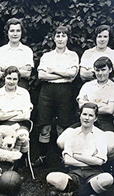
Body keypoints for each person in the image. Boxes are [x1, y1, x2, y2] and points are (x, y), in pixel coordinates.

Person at [32, 25, 79, 167]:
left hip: (65, 91)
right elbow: (41, 75)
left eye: (63, 35)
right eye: (57, 35)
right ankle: (42, 156)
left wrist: (52, 71)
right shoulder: (47, 56)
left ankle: (63, 158)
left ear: (67, 38)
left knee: (62, 126)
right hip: (47, 91)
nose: (60, 39)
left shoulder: (73, 56)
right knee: (44, 125)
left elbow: (72, 76)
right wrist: (62, 72)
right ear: (54, 38)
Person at [46, 103, 114, 196]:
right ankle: (89, 194)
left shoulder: (100, 135)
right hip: (74, 173)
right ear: (80, 115)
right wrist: (90, 160)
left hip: (94, 174)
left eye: (90, 115)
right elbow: (67, 160)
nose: (86, 118)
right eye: (84, 114)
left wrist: (76, 156)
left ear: (95, 118)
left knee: (108, 179)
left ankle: (75, 194)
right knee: (51, 177)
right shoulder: (72, 133)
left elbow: (99, 161)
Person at [77, 56, 114, 160]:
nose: (100, 73)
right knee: (61, 141)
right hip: (86, 120)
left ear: (110, 70)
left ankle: (108, 168)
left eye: (103, 70)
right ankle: (80, 166)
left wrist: (89, 104)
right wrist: (102, 106)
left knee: (110, 146)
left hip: (105, 121)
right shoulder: (87, 86)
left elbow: (110, 110)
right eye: (97, 70)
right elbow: (81, 106)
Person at [0, 66, 33, 167]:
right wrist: (17, 112)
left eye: (14, 79)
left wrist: (5, 114)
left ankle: (19, 162)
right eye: (9, 78)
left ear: (18, 80)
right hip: (2, 126)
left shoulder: (24, 93)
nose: (11, 82)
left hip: (20, 124)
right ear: (4, 78)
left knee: (23, 137)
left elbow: (26, 116)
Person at [0, 18, 34, 89]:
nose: (15, 34)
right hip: (3, 87)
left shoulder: (27, 51)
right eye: (12, 31)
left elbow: (27, 73)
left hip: (21, 87)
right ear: (7, 32)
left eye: (18, 31)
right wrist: (20, 69)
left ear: (21, 32)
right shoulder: (0, 51)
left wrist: (5, 69)